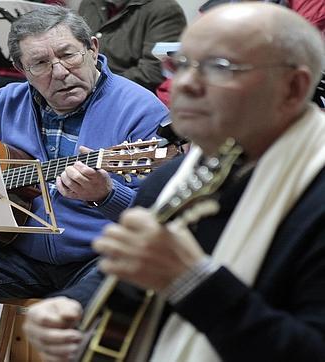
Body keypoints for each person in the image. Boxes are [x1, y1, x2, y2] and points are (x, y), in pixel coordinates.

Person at [22, 3, 325, 362]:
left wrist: (191, 281)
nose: (184, 84)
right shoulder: (173, 177)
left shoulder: (315, 195)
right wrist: (68, 305)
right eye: (180, 64)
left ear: (293, 87)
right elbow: (121, 274)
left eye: (219, 67)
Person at [0, 5, 170, 360]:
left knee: (120, 297)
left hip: (97, 258)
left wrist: (107, 194)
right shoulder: (6, 102)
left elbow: (159, 220)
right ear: (21, 70)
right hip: (15, 254)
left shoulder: (141, 110)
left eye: (68, 55)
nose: (59, 72)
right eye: (39, 64)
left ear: (93, 49)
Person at [78, 0, 187, 93]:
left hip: (131, 98)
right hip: (85, 90)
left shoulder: (164, 9)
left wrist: (97, 84)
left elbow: (155, 72)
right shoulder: (89, 3)